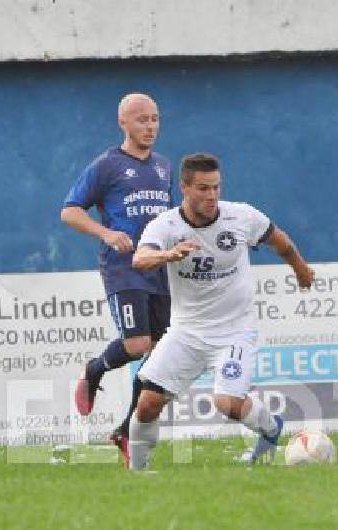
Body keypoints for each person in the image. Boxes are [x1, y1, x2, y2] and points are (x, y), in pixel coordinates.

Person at [128, 152, 314, 470]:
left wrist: (300, 269)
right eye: (203, 188)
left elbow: (279, 241)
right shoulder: (166, 225)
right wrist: (168, 255)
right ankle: (137, 476)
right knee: (147, 404)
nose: (212, 195)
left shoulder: (242, 217)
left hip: (234, 332)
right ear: (184, 188)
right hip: (186, 331)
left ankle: (271, 429)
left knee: (227, 403)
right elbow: (139, 259)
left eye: (216, 187)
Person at [61, 93, 173, 466]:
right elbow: (70, 212)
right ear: (123, 123)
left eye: (155, 119)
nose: (150, 126)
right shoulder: (107, 166)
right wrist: (107, 234)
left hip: (158, 269)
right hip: (123, 268)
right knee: (139, 343)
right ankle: (94, 369)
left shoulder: (163, 167)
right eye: (142, 120)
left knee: (159, 354)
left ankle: (124, 430)